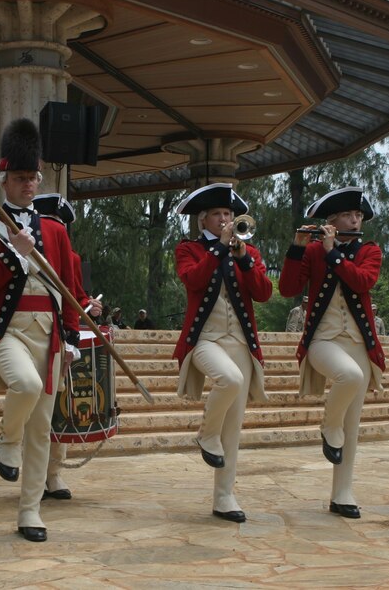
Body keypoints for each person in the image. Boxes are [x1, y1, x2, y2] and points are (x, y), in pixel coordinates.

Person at [0, 118, 81, 542]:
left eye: (32, 177)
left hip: (50, 334)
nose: (28, 184)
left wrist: (71, 336)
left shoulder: (55, 230)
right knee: (26, 386)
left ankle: (30, 511)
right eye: (19, 178)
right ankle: (6, 439)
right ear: (4, 181)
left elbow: (68, 289)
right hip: (8, 332)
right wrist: (13, 257)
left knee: (42, 429)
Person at [279, 187, 386, 519]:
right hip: (322, 340)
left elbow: (363, 282)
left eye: (359, 215)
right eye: (348, 215)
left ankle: (342, 494)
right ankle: (328, 425)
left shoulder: (370, 250)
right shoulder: (313, 251)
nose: (355, 220)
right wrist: (298, 247)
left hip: (359, 342)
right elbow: (288, 288)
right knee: (349, 376)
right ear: (332, 221)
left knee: (352, 423)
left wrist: (333, 254)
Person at [173, 182, 272, 524]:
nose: (225, 219)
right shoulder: (188, 249)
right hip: (204, 339)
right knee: (229, 380)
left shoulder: (249, 251)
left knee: (234, 425)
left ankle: (224, 496)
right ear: (203, 219)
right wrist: (218, 249)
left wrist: (244, 258)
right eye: (217, 214)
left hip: (241, 342)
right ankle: (206, 433)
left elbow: (264, 293)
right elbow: (194, 280)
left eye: (228, 213)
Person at [31, 193, 103, 501]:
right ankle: (33, 473)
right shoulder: (19, 248)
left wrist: (90, 306)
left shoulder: (70, 257)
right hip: (27, 335)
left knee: (59, 406)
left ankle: (53, 473)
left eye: (59, 225)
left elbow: (75, 295)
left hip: (59, 336)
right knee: (32, 404)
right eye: (49, 222)